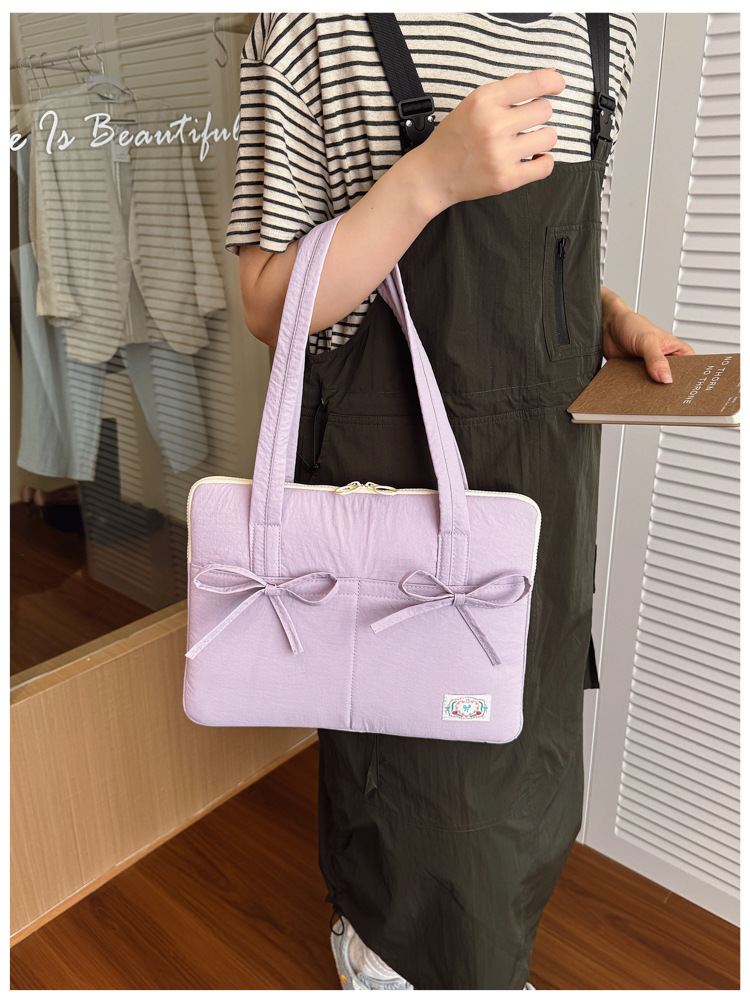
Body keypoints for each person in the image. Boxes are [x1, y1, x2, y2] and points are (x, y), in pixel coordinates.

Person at [225, 13, 694, 990]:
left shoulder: (606, 29)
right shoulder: (317, 24)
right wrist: (427, 178)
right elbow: (270, 300)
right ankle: (387, 955)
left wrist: (606, 315)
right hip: (394, 466)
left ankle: (483, 962)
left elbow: (553, 253)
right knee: (416, 761)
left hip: (545, 471)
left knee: (529, 743)